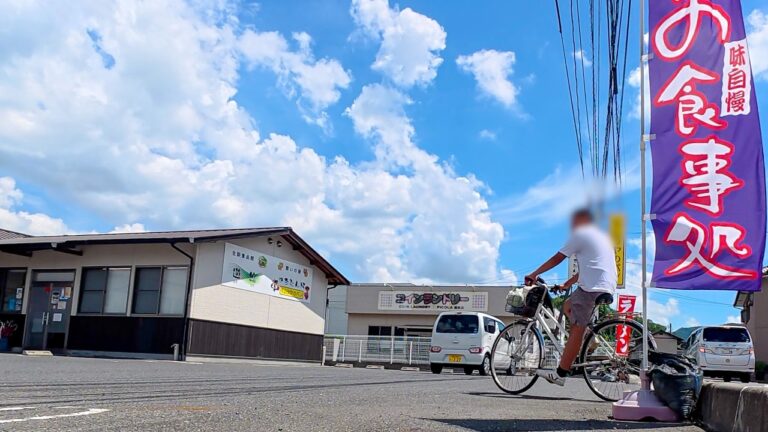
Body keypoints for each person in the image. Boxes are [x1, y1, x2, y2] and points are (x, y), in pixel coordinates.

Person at [523, 208, 617, 386]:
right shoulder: (603, 238)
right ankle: (591, 339)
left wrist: (534, 274)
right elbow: (587, 269)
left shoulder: (581, 235)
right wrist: (566, 285)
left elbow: (557, 258)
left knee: (576, 328)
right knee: (567, 305)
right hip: (605, 285)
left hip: (592, 288)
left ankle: (561, 373)